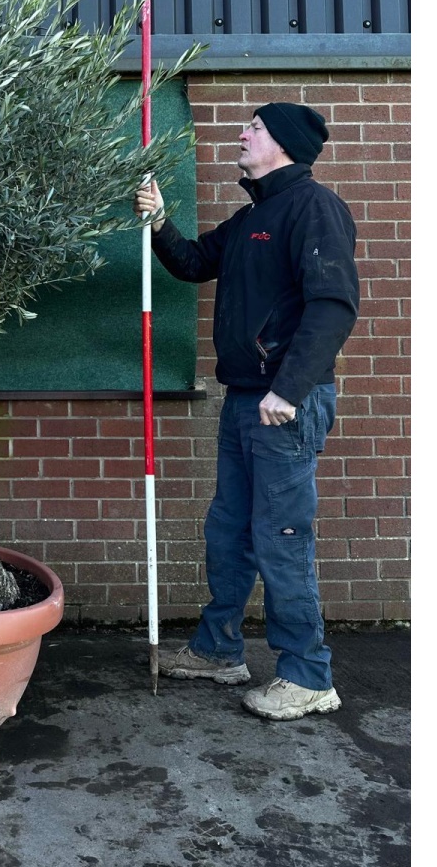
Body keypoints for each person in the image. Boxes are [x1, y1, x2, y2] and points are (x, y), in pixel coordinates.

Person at [135, 102, 359, 721]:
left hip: (283, 406)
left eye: (254, 128)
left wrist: (287, 391)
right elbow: (191, 264)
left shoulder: (315, 209)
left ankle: (308, 675)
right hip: (243, 401)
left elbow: (333, 306)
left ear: (283, 144)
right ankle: (218, 650)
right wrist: (159, 222)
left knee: (280, 535)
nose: (242, 133)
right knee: (229, 528)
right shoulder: (251, 217)